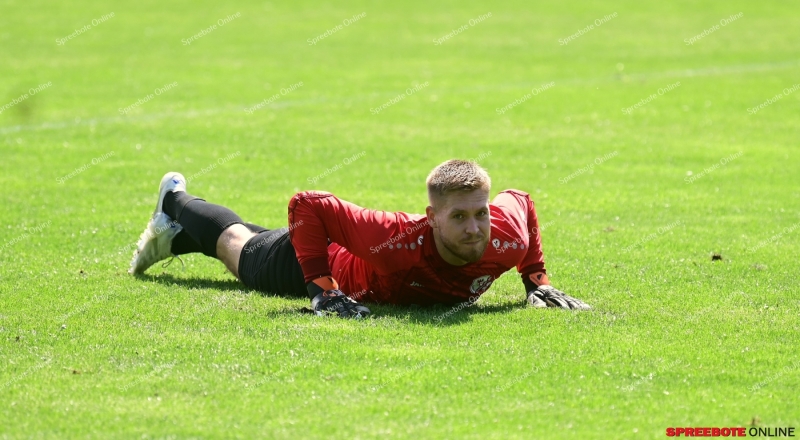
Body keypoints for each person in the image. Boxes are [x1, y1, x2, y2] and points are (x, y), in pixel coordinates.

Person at [128, 159, 591, 318]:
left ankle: (173, 239)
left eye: (480, 214)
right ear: (431, 217)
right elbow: (308, 204)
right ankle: (173, 199)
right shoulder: (393, 238)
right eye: (459, 218)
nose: (475, 229)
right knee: (238, 247)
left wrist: (537, 281)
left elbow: (522, 200)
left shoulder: (504, 234)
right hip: (318, 259)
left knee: (245, 237)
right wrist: (323, 292)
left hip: (336, 260)